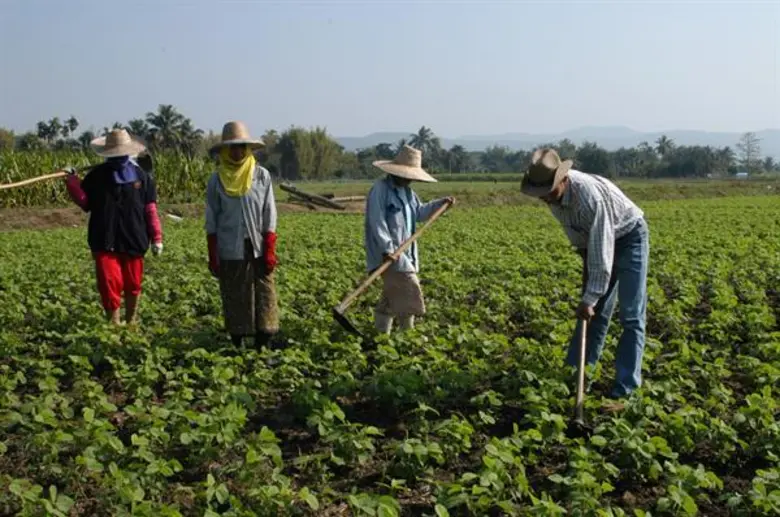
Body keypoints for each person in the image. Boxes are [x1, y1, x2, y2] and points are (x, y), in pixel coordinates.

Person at [520, 148, 649, 406]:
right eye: (540, 194)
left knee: (631, 316)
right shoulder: (553, 198)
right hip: (595, 244)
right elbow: (585, 246)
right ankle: (577, 376)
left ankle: (626, 390)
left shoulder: (589, 198)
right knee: (593, 313)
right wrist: (588, 295)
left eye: (549, 192)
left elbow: (602, 253)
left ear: (563, 180)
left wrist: (589, 297)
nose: (545, 198)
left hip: (629, 237)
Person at [62, 129, 163, 325]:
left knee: (133, 283)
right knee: (109, 283)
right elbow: (85, 202)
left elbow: (150, 208)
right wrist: (72, 182)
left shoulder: (141, 176)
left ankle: (131, 320)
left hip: (134, 237)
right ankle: (113, 325)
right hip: (104, 238)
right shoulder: (96, 176)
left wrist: (156, 237)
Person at [205, 121, 279, 349]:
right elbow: (212, 218)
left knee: (264, 292)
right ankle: (238, 342)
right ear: (225, 151)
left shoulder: (261, 176)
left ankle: (262, 342)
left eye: (241, 147)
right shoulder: (217, 180)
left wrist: (269, 247)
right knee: (235, 294)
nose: (237, 152)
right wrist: (213, 252)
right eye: (232, 148)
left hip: (257, 245)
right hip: (230, 247)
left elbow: (269, 211)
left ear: (248, 149)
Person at [365, 145, 454, 334]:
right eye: (407, 175)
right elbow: (377, 220)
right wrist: (387, 248)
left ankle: (381, 336)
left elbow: (419, 213)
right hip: (389, 255)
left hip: (406, 252)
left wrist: (441, 204)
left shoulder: (408, 193)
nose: (409, 179)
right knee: (408, 288)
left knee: (392, 296)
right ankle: (408, 335)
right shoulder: (380, 190)